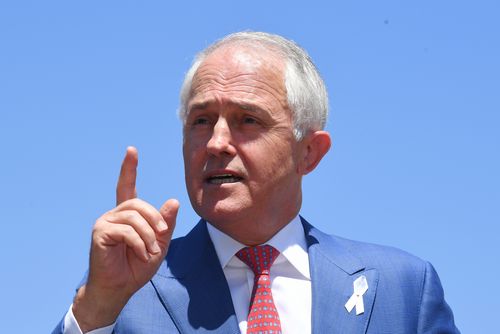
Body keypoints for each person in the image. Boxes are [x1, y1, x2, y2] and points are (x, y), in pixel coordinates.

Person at [53, 31, 459, 334]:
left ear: (309, 152)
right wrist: (97, 308)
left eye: (248, 120)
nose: (216, 142)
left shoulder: (403, 288)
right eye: (200, 121)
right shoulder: (123, 294)